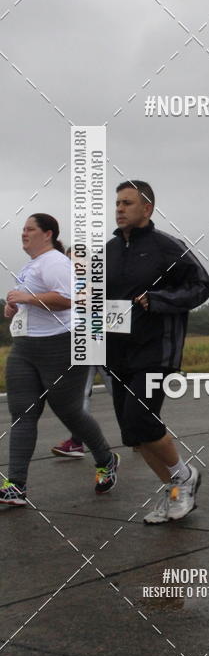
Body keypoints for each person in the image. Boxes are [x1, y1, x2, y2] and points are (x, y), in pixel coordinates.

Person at [106, 181, 209, 524]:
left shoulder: (167, 247)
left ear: (147, 208)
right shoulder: (108, 251)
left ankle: (184, 477)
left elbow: (202, 286)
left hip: (156, 350)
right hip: (117, 353)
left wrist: (159, 300)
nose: (120, 208)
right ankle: (176, 490)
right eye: (118, 202)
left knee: (142, 419)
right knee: (134, 435)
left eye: (127, 203)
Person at [0, 214, 118, 506]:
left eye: (30, 229)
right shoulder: (31, 265)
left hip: (61, 344)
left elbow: (69, 299)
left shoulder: (55, 262)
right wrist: (15, 308)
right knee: (23, 413)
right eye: (22, 230)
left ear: (48, 234)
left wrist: (26, 299)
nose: (24, 234)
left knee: (70, 412)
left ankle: (105, 459)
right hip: (25, 347)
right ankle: (16, 485)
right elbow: (34, 302)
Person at [51, 364, 114, 457]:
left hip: (105, 356)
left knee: (118, 391)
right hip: (85, 357)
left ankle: (136, 432)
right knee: (81, 394)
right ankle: (76, 441)